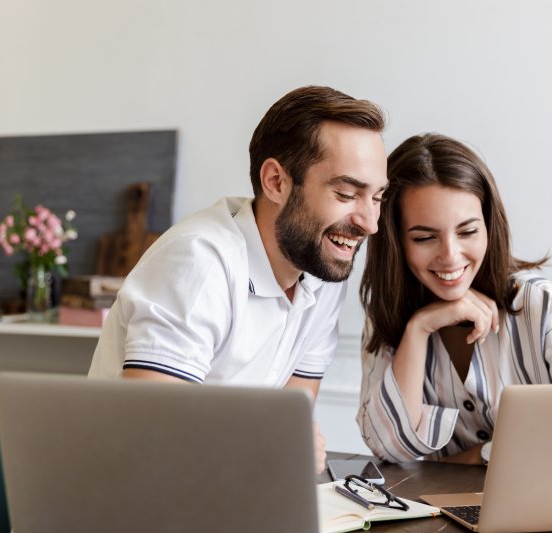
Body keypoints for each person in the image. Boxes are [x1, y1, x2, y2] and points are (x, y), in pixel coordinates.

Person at [88, 86, 388, 473]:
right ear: (276, 182)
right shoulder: (199, 263)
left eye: (377, 197)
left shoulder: (320, 269)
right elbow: (148, 437)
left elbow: (288, 419)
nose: (370, 223)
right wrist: (266, 445)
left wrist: (275, 446)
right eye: (347, 193)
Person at [357, 133, 552, 464]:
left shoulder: (538, 304)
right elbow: (389, 449)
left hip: (549, 510)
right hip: (439, 514)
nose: (450, 256)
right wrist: (419, 329)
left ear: (489, 226)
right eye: (424, 237)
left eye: (467, 232)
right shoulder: (386, 319)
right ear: (396, 242)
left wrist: (483, 455)